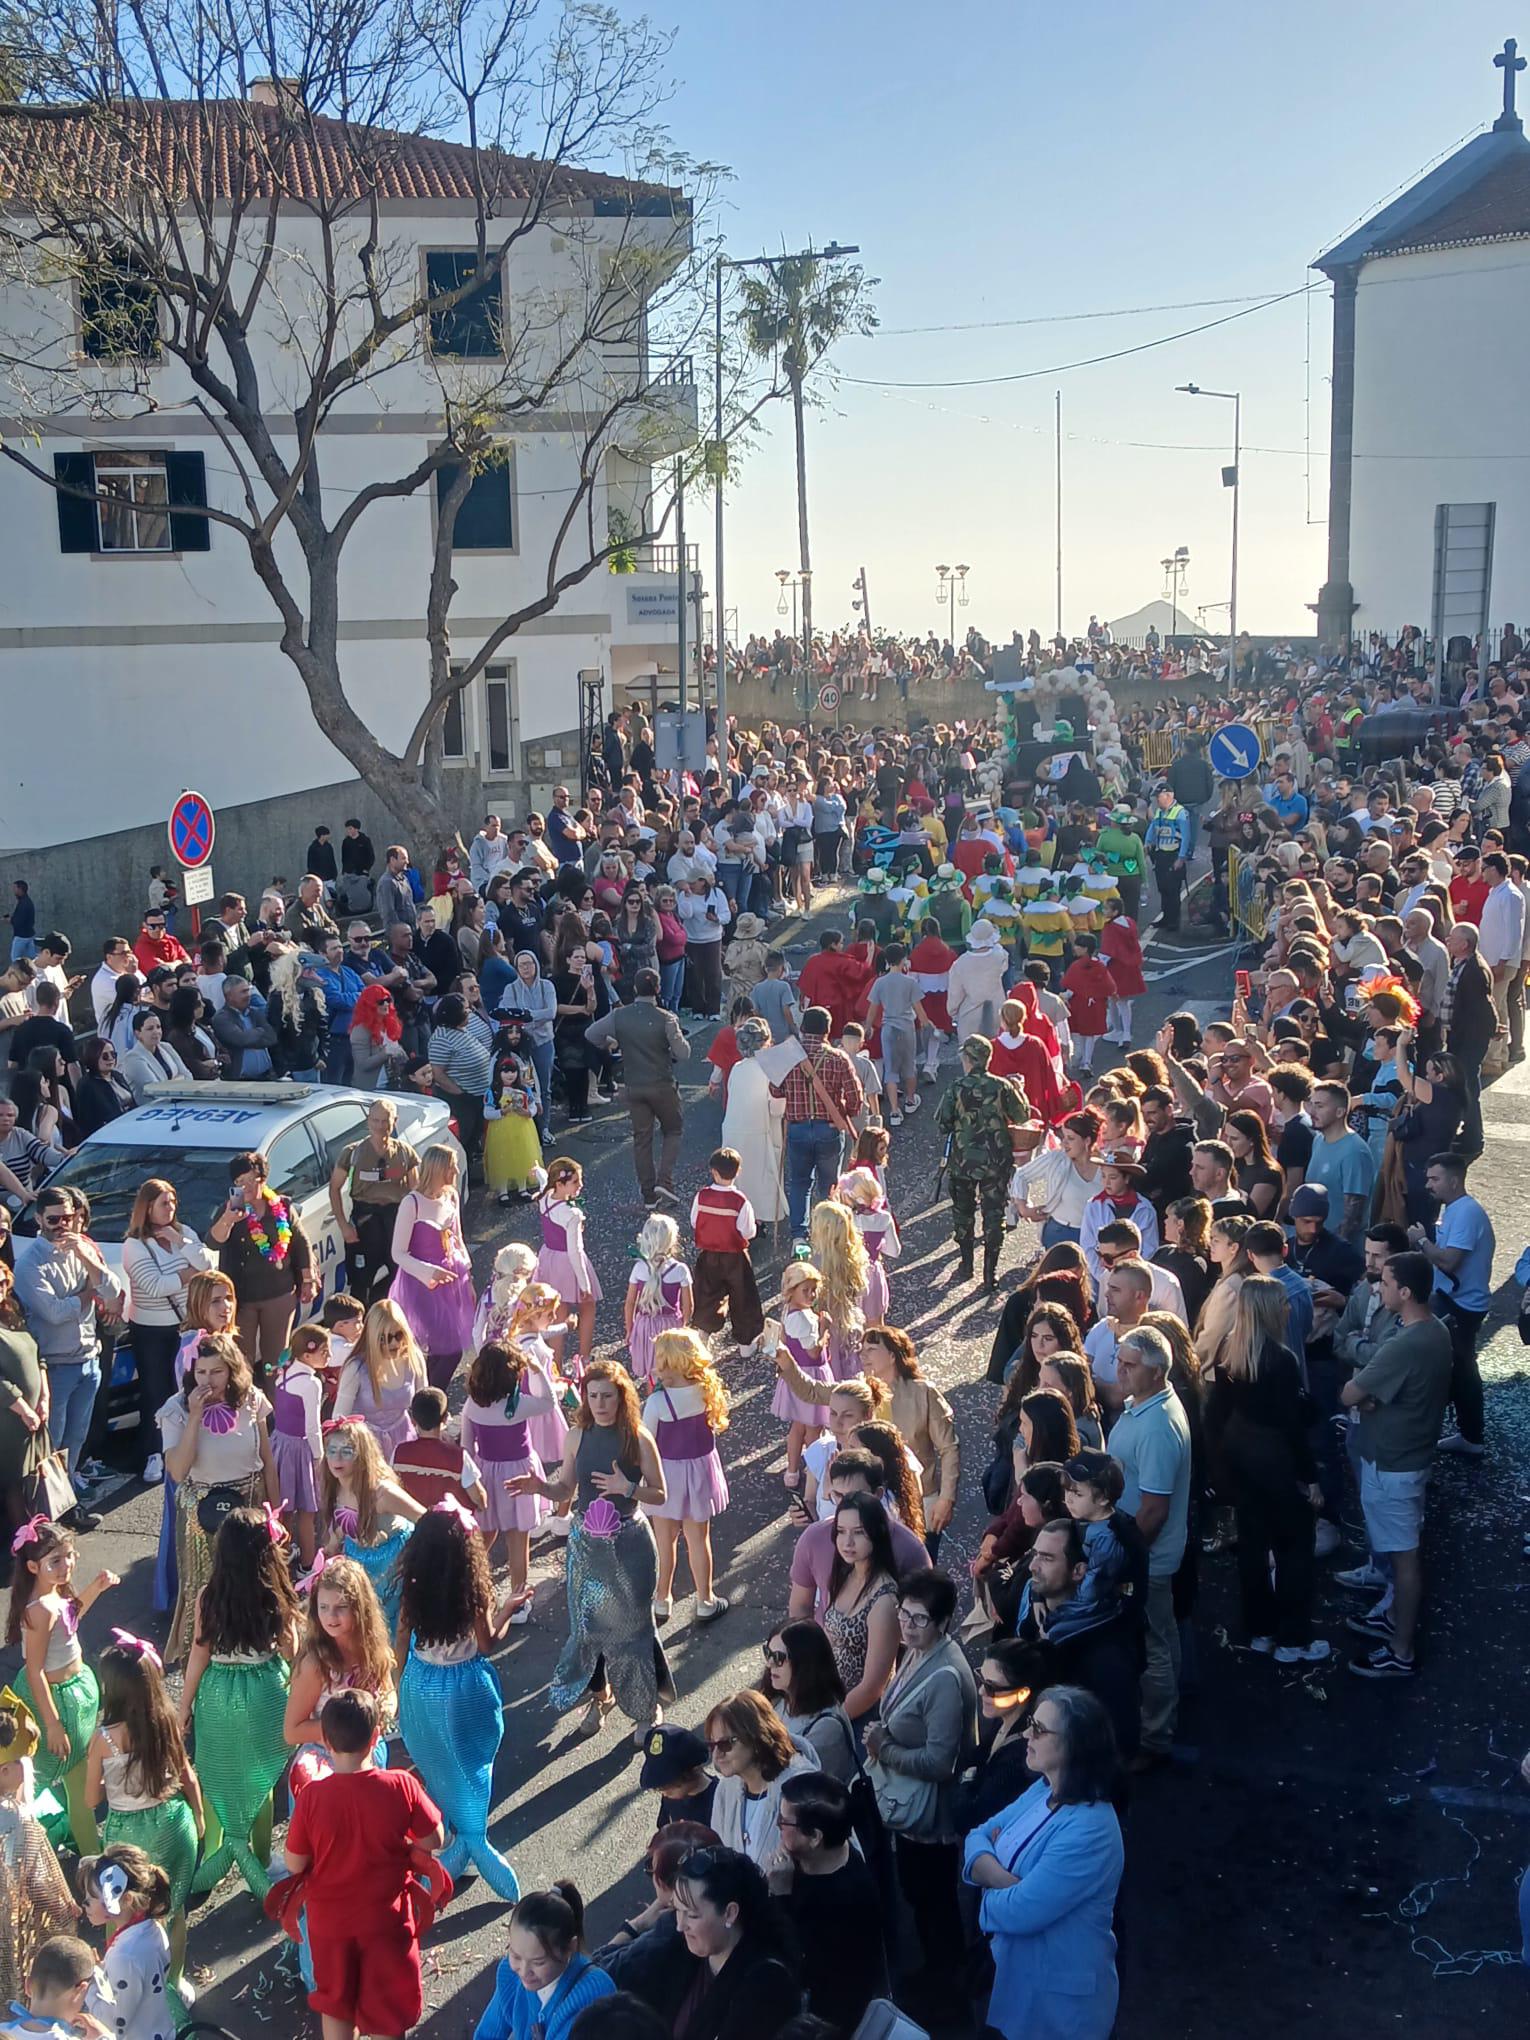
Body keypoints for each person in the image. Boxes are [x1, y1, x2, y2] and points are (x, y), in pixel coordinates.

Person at [508, 1361, 673, 1740]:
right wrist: (540, 1487)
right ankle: (601, 1696)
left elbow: (661, 1493)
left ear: (621, 1397)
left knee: (633, 1630)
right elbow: (566, 1489)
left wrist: (626, 1488)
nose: (599, 1403)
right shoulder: (577, 1434)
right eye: (592, 1395)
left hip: (629, 1544)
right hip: (587, 1548)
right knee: (588, 1629)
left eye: (607, 1396)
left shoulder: (638, 1437)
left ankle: (647, 1707)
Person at [963, 1684, 1124, 2040]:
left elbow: (1021, 1912)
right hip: (1017, 1980)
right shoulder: (1043, 1788)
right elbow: (977, 1834)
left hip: (1058, 2010)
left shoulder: (1091, 1829)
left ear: (1074, 1745)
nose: (1025, 1734)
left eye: (1038, 1728)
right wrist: (1013, 1885)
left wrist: (988, 1878)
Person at [281, 1690, 445, 2040]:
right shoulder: (400, 1784)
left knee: (336, 2004)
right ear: (376, 1736)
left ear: (324, 1740)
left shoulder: (312, 1797)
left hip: (330, 1924)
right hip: (385, 1921)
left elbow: (294, 1864)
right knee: (387, 2012)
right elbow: (434, 1840)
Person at [395, 1504, 523, 1898]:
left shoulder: (414, 1588)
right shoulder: (473, 1593)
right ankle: (471, 1841)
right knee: (472, 1766)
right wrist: (507, 1610)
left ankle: (454, 1842)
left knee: (438, 1763)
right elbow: (486, 1644)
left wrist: (398, 1685)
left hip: (421, 1684)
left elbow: (401, 1638)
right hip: (466, 1689)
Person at [863, 1567, 976, 2006]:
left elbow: (941, 1762)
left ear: (944, 1622)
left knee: (934, 1901)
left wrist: (883, 1747)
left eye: (919, 1619)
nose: (907, 1627)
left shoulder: (945, 1676)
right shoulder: (919, 1651)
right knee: (921, 1894)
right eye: (903, 1615)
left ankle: (945, 1986)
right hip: (914, 1811)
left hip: (931, 1817)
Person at [178, 1506, 301, 1900]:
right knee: (259, 1779)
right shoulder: (275, 1595)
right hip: (264, 1690)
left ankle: (216, 1853)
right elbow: (290, 1649)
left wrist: (183, 1708)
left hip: (218, 1691)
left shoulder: (207, 1597)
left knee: (217, 1773)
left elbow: (199, 1653)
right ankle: (260, 1861)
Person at [1203, 1276, 1328, 1663]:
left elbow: (1218, 1414)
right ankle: (1293, 1639)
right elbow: (1292, 1427)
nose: (1289, 1308)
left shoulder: (1230, 1350)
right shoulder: (1282, 1359)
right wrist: (1311, 1478)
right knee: (1294, 1553)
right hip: (1276, 1466)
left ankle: (1260, 1631)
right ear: (1270, 1310)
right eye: (1283, 1304)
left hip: (1242, 1464)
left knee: (1253, 1551)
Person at [1340, 1252, 1453, 1681]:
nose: (1378, 1289)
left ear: (1405, 1292)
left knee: (1405, 1562)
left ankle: (1400, 1650)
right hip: (1411, 1458)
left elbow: (1350, 1394)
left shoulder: (1404, 1344)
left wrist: (1367, 1398)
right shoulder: (1437, 1330)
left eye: (1385, 1283)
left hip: (1393, 1465)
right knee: (1402, 1555)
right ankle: (1392, 1622)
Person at [159, 1332, 278, 1661]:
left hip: (249, 1505)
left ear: (231, 1370)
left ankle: (252, 1658)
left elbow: (267, 1460)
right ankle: (201, 1664)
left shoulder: (252, 1399)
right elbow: (178, 1471)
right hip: (202, 1513)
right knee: (204, 1590)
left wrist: (276, 1513)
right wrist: (194, 1417)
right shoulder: (175, 1409)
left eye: (216, 1372)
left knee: (253, 1585)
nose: (207, 1381)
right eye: (200, 1372)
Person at [8, 1518, 119, 1854]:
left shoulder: (53, 1598)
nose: (66, 1565)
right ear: (32, 1566)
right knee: (35, 1775)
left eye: (69, 1556)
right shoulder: (39, 1610)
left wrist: (95, 1588)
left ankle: (89, 1853)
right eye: (55, 1561)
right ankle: (26, 1844)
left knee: (78, 1778)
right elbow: (35, 1672)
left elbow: (70, 1618)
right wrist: (53, 1725)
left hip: (74, 1694)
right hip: (53, 1703)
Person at [1110, 1325, 1191, 1770]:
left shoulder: (1159, 1426)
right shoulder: (1146, 1405)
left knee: (1154, 1645)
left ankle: (1156, 1738)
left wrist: (1128, 1559)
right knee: (1162, 1636)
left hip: (1150, 1559)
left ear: (1158, 1372)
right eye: (1119, 1360)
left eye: (1130, 1364)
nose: (1119, 1370)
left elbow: (1155, 1509)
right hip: (1148, 1554)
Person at [13, 1187, 123, 1503]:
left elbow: (112, 1290)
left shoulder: (79, 1251)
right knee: (53, 1440)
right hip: (56, 1364)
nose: (62, 1224)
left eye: (69, 1218)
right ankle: (46, 1508)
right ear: (39, 1219)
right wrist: (87, 1295)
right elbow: (54, 1313)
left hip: (89, 1359)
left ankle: (66, 1497)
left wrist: (86, 1258)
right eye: (54, 1219)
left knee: (76, 1438)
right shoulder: (29, 1264)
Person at [765, 1772, 888, 2035]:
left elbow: (798, 1959)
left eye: (784, 1821)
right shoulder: (803, 1859)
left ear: (814, 1837)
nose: (777, 1825)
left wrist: (781, 1896)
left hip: (825, 2020)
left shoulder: (850, 1897)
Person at [121, 1179, 213, 1485]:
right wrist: (188, 1273)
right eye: (164, 1202)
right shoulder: (134, 1245)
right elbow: (154, 1286)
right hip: (151, 1330)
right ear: (147, 1208)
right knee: (155, 1392)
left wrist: (181, 1243)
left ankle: (185, 1447)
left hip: (186, 1326)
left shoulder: (183, 1232)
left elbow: (207, 1264)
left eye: (173, 1201)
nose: (170, 1207)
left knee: (185, 1387)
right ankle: (152, 1453)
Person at [662, 1846, 802, 2040]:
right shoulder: (680, 1951)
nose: (680, 1925)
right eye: (677, 1910)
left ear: (730, 1913)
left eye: (692, 1915)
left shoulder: (765, 1985)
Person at [1408, 1150, 1495, 1459]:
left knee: (1460, 1371)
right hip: (1452, 1300)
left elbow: (1450, 1261)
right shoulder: (1456, 1210)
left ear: (1455, 1180)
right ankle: (1467, 1433)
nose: (1428, 1185)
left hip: (1462, 1306)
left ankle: (1470, 1436)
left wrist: (1420, 1240)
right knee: (1457, 1369)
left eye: (1435, 1178)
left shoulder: (1466, 1212)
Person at [207, 1150, 315, 1383]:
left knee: (275, 1361)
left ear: (262, 1179)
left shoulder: (282, 1207)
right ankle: (246, 1408)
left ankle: (276, 1412)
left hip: (278, 1294)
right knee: (240, 1360)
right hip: (242, 1298)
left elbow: (300, 1243)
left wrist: (308, 1280)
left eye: (248, 1180)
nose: (243, 1187)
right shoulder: (230, 1209)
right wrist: (228, 1220)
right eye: (238, 1182)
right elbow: (213, 1241)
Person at [645, 1329, 730, 1623]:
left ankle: (661, 1598)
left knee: (664, 1539)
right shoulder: (707, 1391)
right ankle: (705, 1599)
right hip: (700, 1473)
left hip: (667, 1475)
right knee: (698, 1539)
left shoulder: (658, 1402)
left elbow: (647, 1440)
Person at [586, 970, 690, 1209]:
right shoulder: (666, 1018)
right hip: (662, 1084)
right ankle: (664, 1181)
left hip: (633, 1085)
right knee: (673, 1130)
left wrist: (610, 1043)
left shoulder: (619, 1016)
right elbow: (683, 1053)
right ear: (657, 989)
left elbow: (591, 1034)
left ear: (634, 989)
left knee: (641, 1139)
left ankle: (648, 1195)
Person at [936, 1033, 1030, 1288]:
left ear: (968, 1059)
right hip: (996, 1161)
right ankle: (991, 1274)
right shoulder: (1002, 1086)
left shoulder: (956, 1087)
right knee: (994, 1214)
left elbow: (943, 1124)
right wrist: (1019, 1092)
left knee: (963, 1214)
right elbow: (1022, 1117)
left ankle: (966, 1264)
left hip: (963, 1162)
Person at [474, 1883, 616, 2040]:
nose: (523, 1971)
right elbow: (487, 2034)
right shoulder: (509, 1973)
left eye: (538, 1962)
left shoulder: (592, 1995)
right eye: (515, 1955)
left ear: (570, 1948)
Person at [771, 1007, 864, 1245]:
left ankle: (799, 1237)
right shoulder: (838, 1058)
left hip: (798, 1127)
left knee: (800, 1182)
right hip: (829, 1128)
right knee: (829, 1183)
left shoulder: (789, 1057)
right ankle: (830, 1234)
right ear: (827, 1030)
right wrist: (844, 1114)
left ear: (802, 1028)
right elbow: (856, 1098)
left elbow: (775, 1090)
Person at [388, 1144, 475, 1394]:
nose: (456, 1170)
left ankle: (424, 1401)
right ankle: (430, 1400)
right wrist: (428, 1272)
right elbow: (398, 1253)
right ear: (438, 1169)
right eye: (451, 1166)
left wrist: (467, 1278)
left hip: (450, 1280)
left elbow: (457, 1238)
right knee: (449, 1351)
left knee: (441, 1350)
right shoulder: (411, 1203)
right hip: (419, 1285)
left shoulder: (451, 1196)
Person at [702, 1691, 820, 1868]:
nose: (717, 1754)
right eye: (712, 1745)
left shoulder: (803, 1787)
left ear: (756, 1737)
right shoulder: (726, 1789)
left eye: (725, 1744)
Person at [328, 1096, 421, 1304]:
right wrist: (344, 1225)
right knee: (361, 1283)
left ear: (394, 1122)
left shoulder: (405, 1153)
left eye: (385, 1121)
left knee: (402, 1277)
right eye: (375, 1120)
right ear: (368, 1122)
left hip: (396, 1219)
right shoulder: (352, 1153)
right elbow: (334, 1188)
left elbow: (416, 1191)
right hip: (365, 1221)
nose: (380, 1126)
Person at [688, 1148, 765, 1357]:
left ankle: (703, 1335)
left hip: (709, 1255)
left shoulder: (702, 1196)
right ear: (738, 1172)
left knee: (707, 1294)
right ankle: (746, 1344)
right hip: (735, 1256)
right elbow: (748, 1231)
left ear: (713, 1171)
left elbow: (695, 1221)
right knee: (743, 1297)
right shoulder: (740, 1201)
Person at [719, 1021, 786, 1227]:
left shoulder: (737, 1068)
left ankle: (739, 1218)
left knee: (739, 1179)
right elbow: (777, 1109)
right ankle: (757, 1220)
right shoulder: (770, 1070)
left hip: (734, 1131)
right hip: (761, 1130)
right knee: (762, 1179)